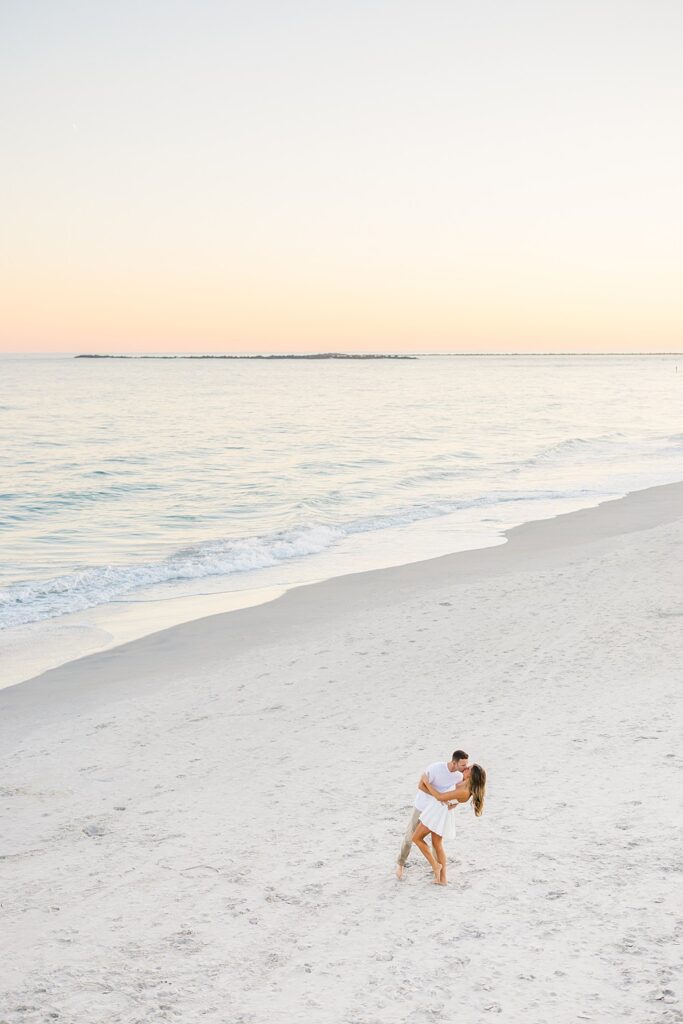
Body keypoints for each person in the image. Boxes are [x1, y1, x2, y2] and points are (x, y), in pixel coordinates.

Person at [395, 750, 469, 880]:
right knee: (409, 838)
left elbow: (457, 793)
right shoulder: (435, 768)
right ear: (454, 762)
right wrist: (438, 797)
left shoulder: (459, 776)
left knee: (436, 843)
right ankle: (400, 863)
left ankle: (437, 871)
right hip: (422, 806)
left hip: (438, 811)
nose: (465, 768)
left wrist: (453, 803)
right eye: (462, 765)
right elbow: (421, 785)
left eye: (466, 765)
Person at [411, 764, 487, 885]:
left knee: (416, 838)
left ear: (472, 775)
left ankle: (435, 865)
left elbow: (440, 797)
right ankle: (443, 879)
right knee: (437, 844)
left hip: (438, 812)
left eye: (469, 769)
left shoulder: (465, 791)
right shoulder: (465, 783)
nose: (466, 768)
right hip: (440, 810)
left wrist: (426, 782)